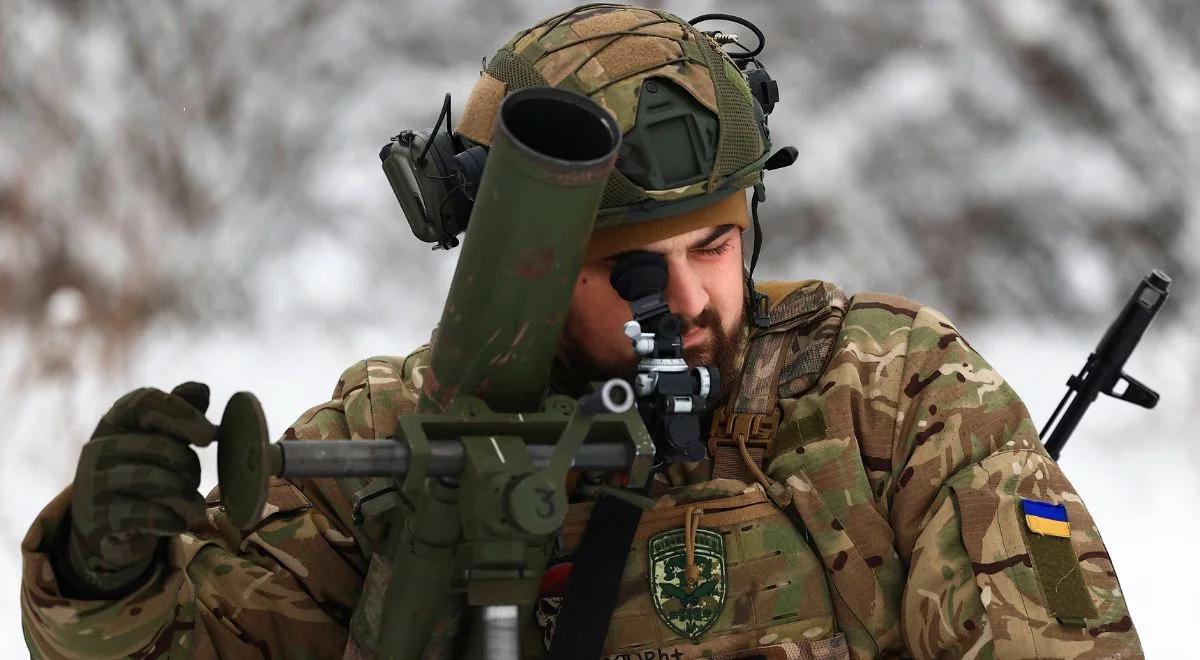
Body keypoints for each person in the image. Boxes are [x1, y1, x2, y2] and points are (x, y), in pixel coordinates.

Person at [20, 4, 1142, 659]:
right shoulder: (400, 437)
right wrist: (102, 566)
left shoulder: (888, 389)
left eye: (718, 245)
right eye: (634, 271)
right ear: (534, 265)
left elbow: (1064, 636)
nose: (694, 303)